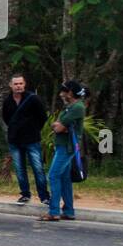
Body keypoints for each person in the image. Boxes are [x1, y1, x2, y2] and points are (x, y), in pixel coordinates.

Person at [41, 80, 87, 223]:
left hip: (67, 147)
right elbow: (59, 125)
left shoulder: (77, 107)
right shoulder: (71, 107)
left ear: (70, 93)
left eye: (63, 91)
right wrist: (60, 126)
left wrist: (59, 126)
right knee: (65, 179)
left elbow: (59, 128)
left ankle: (53, 212)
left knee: (53, 176)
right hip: (62, 146)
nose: (61, 93)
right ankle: (68, 211)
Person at [1, 73, 50, 206]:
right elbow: (6, 118)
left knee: (38, 168)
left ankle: (44, 196)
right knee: (19, 169)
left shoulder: (33, 99)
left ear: (25, 84)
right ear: (11, 85)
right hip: (15, 140)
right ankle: (25, 194)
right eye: (16, 84)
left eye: (20, 83)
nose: (18, 86)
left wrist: (33, 129)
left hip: (32, 139)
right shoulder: (8, 101)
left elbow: (43, 117)